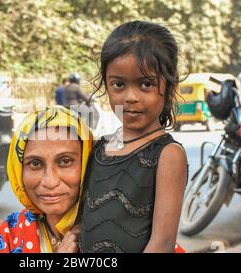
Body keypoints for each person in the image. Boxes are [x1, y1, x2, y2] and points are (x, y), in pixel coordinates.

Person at [79, 20, 188, 253]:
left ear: (170, 86)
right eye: (118, 84)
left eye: (146, 84)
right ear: (106, 85)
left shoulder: (168, 155)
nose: (130, 97)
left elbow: (162, 243)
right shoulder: (100, 147)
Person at [0, 106, 93, 253]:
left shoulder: (113, 230)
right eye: (35, 163)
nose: (50, 182)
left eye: (65, 161)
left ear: (87, 162)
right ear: (18, 170)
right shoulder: (8, 236)